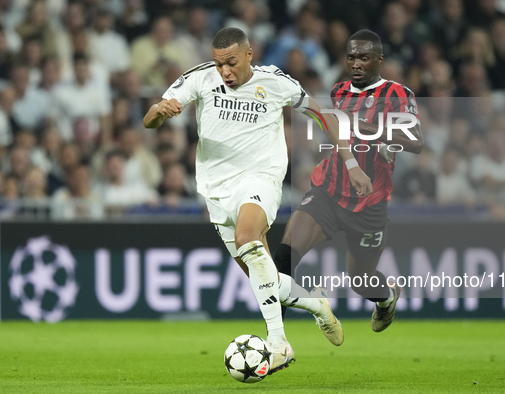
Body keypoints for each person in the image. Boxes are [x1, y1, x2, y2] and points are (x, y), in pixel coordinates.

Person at [143, 27, 372, 375]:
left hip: (260, 179)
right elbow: (150, 120)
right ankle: (317, 304)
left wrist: (352, 164)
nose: (225, 72)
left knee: (248, 239)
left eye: (231, 63)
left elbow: (326, 116)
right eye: (220, 64)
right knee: (265, 279)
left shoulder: (276, 83)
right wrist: (161, 110)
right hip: (216, 192)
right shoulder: (201, 79)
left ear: (249, 54)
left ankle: (279, 344)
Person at [274, 29, 424, 334]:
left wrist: (368, 126)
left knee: (360, 282)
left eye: (363, 58)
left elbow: (416, 140)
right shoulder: (339, 91)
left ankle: (387, 297)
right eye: (351, 57)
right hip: (328, 190)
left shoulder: (398, 94)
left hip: (370, 203)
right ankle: (275, 342)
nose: (355, 63)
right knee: (283, 260)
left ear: (379, 61)